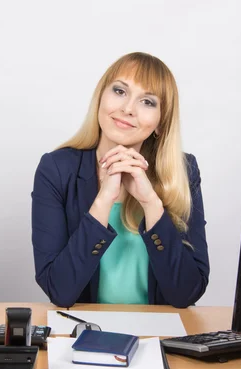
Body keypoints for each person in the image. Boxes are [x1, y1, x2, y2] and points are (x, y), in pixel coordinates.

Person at [31, 52, 209, 308]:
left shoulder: (183, 171)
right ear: (100, 98)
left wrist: (151, 203)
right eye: (120, 91)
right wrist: (103, 200)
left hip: (158, 333)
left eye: (147, 102)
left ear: (160, 123)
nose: (128, 109)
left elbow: (187, 293)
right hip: (87, 332)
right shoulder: (57, 169)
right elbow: (59, 290)